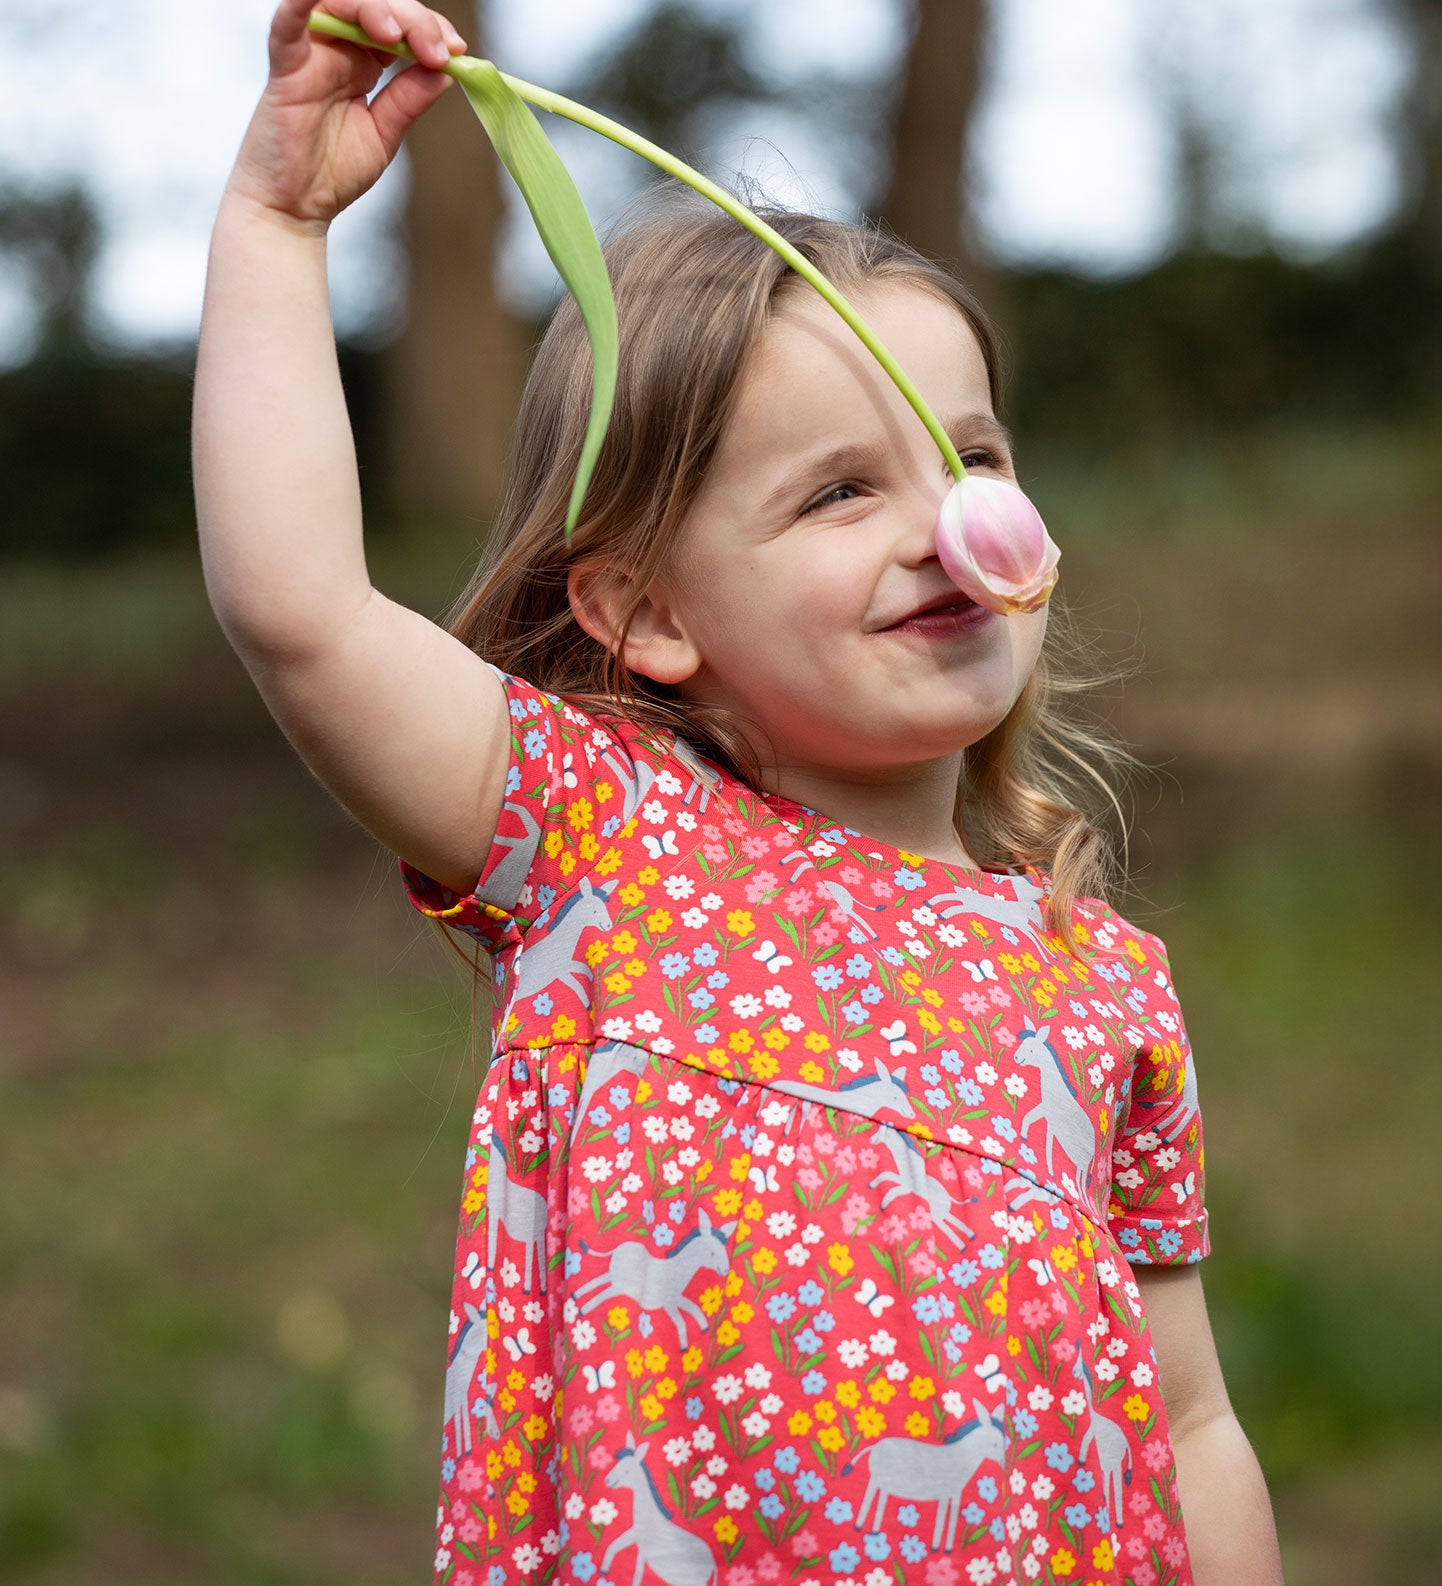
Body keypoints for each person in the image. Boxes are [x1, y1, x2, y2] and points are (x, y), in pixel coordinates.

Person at [193, 5, 1286, 1584]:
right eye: (842, 488)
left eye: (966, 456)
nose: (941, 522)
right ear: (645, 610)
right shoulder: (597, 838)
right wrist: (278, 221)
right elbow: (300, 609)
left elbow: (1187, 1423)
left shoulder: (1099, 976)